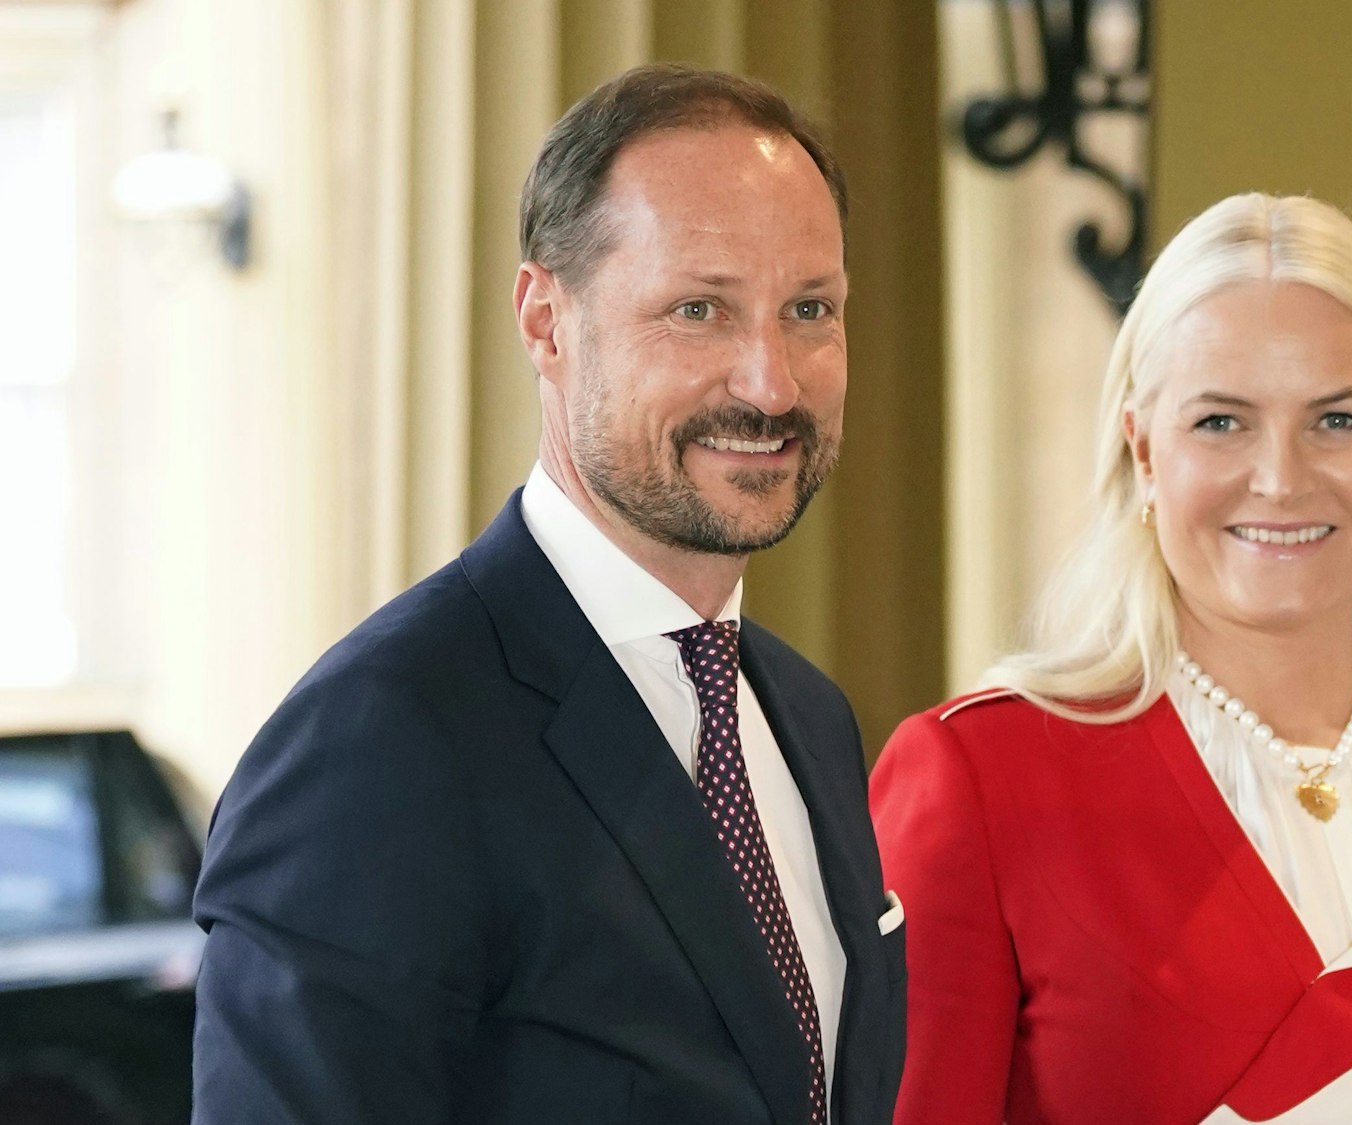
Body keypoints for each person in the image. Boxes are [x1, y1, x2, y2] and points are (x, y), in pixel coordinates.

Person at [192, 65, 904, 1125]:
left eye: (809, 309)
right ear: (544, 321)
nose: (769, 383)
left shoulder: (807, 716)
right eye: (697, 309)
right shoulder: (378, 742)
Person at [870, 192, 1352, 1124]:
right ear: (1143, 448)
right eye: (1221, 422)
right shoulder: (983, 779)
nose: (1280, 476)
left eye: (1338, 419)